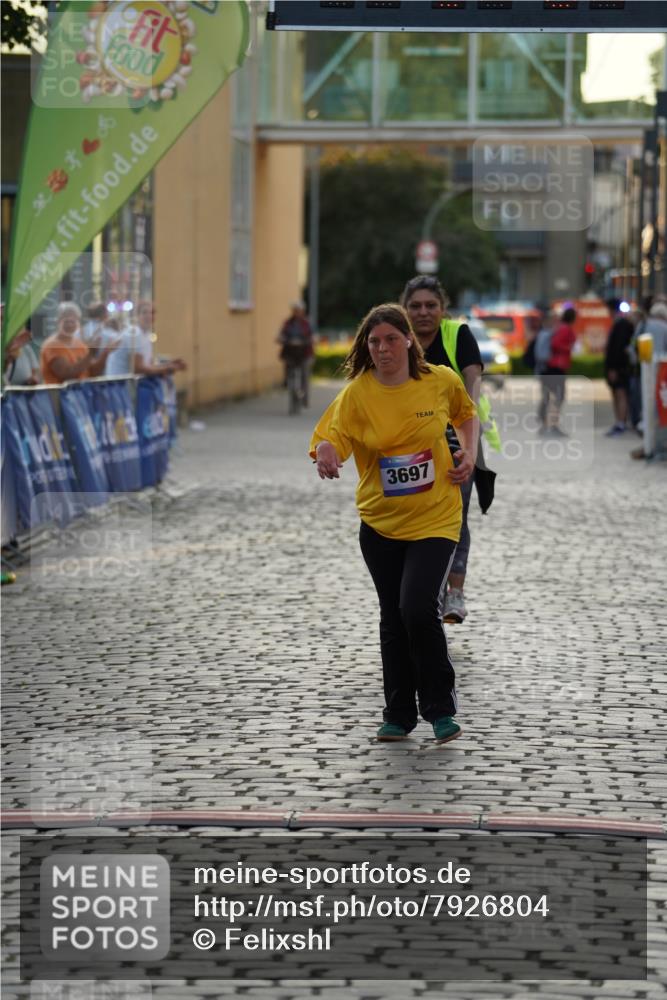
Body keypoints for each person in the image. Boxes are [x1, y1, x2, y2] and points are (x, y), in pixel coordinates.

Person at [310, 303, 477, 745]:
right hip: (380, 523)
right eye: (373, 341)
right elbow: (333, 436)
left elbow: (467, 414)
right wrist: (326, 452)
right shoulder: (358, 393)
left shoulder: (440, 380)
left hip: (437, 517)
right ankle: (398, 714)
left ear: (407, 340)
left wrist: (468, 454)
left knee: (417, 608)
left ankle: (441, 709)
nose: (382, 348)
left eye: (389, 339)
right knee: (393, 616)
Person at [400, 275, 488, 626]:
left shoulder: (457, 335)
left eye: (430, 306)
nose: (423, 312)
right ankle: (417, 589)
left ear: (443, 309)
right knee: (409, 515)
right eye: (415, 306)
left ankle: (454, 591)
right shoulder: (398, 338)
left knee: (454, 517)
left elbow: (473, 388)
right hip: (408, 446)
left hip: (456, 444)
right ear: (405, 309)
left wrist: (467, 439)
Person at [39, 302, 119, 385]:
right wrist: (91, 354)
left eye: (73, 321)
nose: (70, 325)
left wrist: (106, 353)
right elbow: (66, 374)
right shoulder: (52, 345)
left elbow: (93, 373)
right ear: (57, 321)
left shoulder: (80, 344)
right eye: (66, 321)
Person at [106, 299, 186, 377]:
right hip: (119, 385)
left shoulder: (146, 335)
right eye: (144, 312)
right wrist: (167, 368)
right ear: (137, 316)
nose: (149, 316)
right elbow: (138, 369)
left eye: (152, 313)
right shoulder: (134, 334)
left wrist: (169, 364)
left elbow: (149, 365)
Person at [538, 305, 577, 436]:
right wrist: (568, 347)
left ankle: (548, 425)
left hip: (555, 367)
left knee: (553, 396)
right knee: (558, 397)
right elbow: (555, 344)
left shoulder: (561, 327)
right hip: (557, 367)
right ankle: (551, 425)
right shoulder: (565, 329)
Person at [604, 299, 635, 437]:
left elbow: (617, 348)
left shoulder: (621, 325)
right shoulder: (621, 324)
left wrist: (613, 368)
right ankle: (619, 422)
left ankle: (621, 422)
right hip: (619, 366)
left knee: (620, 393)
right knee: (617, 393)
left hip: (619, 367)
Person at [277, 300, 313, 406]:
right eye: (295, 310)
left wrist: (311, 340)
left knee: (304, 374)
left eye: (299, 310)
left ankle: (304, 397)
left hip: (304, 353)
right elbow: (282, 334)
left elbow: (312, 335)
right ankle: (287, 382)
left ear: (302, 311)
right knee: (288, 365)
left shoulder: (306, 323)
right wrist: (280, 338)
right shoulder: (287, 323)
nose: (297, 312)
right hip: (290, 352)